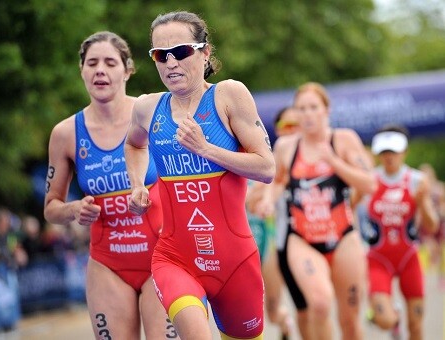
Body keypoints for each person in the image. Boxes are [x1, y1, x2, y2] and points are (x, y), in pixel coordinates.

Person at [124, 11, 275, 340]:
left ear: (205, 52)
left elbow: (267, 168)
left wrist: (206, 149)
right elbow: (134, 146)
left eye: (180, 51)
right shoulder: (147, 107)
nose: (171, 63)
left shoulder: (228, 95)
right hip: (175, 257)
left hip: (235, 261)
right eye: (160, 55)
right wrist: (137, 185)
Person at [43, 31, 178, 340]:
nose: (100, 70)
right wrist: (74, 209)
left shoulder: (154, 115)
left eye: (109, 62)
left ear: (127, 70)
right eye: (91, 63)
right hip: (108, 264)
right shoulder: (65, 134)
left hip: (163, 256)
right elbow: (51, 208)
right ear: (82, 71)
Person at [256, 82, 376, 340]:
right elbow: (277, 183)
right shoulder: (287, 147)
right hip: (303, 240)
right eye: (301, 109)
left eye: (313, 107)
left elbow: (370, 183)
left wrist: (333, 162)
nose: (307, 114)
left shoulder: (343, 139)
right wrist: (268, 200)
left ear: (326, 110)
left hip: (343, 237)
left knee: (350, 322)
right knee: (319, 304)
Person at [354, 125, 439, 340]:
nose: (389, 157)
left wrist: (422, 203)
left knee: (416, 327)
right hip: (378, 258)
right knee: (384, 320)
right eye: (384, 152)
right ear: (378, 154)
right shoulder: (369, 180)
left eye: (393, 151)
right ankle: (395, 321)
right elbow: (349, 209)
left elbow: (432, 226)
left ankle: (403, 321)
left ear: (405, 152)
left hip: (409, 257)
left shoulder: (417, 180)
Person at [246, 106, 300, 340]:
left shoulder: (294, 165)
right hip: (244, 242)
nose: (290, 132)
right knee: (246, 310)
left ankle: (285, 322)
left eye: (295, 126)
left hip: (272, 243)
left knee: (273, 310)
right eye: (285, 127)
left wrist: (262, 196)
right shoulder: (256, 159)